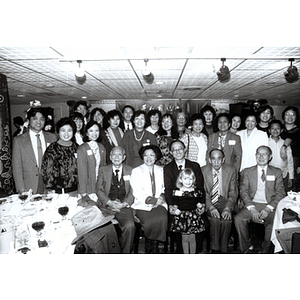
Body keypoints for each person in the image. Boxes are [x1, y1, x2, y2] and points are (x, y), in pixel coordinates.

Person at [234, 146, 286, 253]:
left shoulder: (276, 172)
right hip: (252, 204)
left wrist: (268, 208)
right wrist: (252, 208)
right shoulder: (248, 171)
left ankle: (265, 249)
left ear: (270, 157)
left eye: (264, 154)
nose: (261, 157)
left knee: (274, 223)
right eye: (258, 154)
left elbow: (281, 193)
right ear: (255, 156)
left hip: (270, 205)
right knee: (238, 219)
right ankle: (246, 247)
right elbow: (243, 191)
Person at [164, 140, 209, 253]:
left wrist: (202, 205)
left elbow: (200, 188)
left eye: (180, 148)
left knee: (203, 225)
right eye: (174, 149)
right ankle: (180, 252)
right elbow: (168, 190)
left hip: (194, 205)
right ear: (170, 152)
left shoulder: (194, 166)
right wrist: (172, 207)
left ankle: (195, 252)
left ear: (185, 150)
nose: (178, 151)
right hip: (177, 205)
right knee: (175, 226)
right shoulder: (168, 168)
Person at [96, 146, 135, 254]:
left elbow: (133, 191)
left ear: (124, 157)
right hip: (106, 206)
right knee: (100, 228)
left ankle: (125, 253)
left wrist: (124, 204)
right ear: (110, 157)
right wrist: (109, 202)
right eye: (114, 154)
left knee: (130, 226)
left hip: (123, 206)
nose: (116, 157)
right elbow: (98, 190)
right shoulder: (103, 170)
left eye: (119, 155)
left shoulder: (131, 170)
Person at [130, 145, 168, 253]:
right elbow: (136, 192)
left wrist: (160, 198)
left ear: (156, 157)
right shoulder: (136, 171)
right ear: (142, 157)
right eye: (146, 155)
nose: (148, 158)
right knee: (150, 221)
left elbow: (165, 187)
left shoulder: (162, 170)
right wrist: (153, 201)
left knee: (162, 217)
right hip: (142, 204)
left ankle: (154, 246)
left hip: (160, 203)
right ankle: (148, 245)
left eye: (152, 155)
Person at [12, 107, 57, 194]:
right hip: (29, 185)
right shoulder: (19, 140)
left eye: (42, 119)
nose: (38, 122)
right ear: (29, 120)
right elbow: (17, 168)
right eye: (35, 119)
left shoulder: (52, 137)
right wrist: (21, 189)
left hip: (50, 184)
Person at [202, 149, 238, 253]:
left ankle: (224, 249)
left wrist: (227, 208)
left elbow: (233, 192)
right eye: (213, 159)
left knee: (227, 220)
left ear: (223, 160)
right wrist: (211, 207)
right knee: (215, 220)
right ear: (209, 160)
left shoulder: (231, 170)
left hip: (225, 201)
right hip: (210, 201)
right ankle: (215, 249)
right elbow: (204, 192)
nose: (216, 162)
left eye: (219, 159)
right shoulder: (203, 170)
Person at [169, 168, 205, 254]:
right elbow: (175, 203)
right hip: (182, 217)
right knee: (184, 239)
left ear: (193, 180)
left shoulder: (196, 192)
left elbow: (198, 203)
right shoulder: (177, 192)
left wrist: (199, 206)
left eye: (190, 179)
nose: (188, 181)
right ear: (181, 180)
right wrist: (175, 209)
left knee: (192, 239)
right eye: (185, 178)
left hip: (192, 217)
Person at [41, 117, 78, 194]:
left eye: (69, 130)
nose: (66, 134)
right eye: (63, 130)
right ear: (58, 132)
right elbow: (46, 171)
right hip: (56, 192)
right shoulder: (52, 148)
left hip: (75, 191)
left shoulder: (77, 148)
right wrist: (50, 189)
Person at [77, 121, 106, 198]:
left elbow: (103, 169)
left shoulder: (101, 147)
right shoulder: (82, 149)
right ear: (86, 133)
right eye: (91, 131)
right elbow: (81, 173)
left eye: (97, 130)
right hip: (88, 190)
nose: (94, 133)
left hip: (100, 188)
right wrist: (83, 192)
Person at [268, 120, 293, 192]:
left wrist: (291, 177)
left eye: (278, 128)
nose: (275, 130)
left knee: (282, 194)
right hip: (270, 174)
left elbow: (290, 161)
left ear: (281, 130)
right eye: (273, 128)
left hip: (284, 174)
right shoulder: (266, 142)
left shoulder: (285, 144)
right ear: (269, 130)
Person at [280, 106, 300, 192]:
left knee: (294, 187)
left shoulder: (299, 130)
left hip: (296, 162)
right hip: (280, 161)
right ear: (283, 116)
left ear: (296, 117)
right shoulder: (278, 129)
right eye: (287, 114)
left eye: (293, 115)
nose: (290, 117)